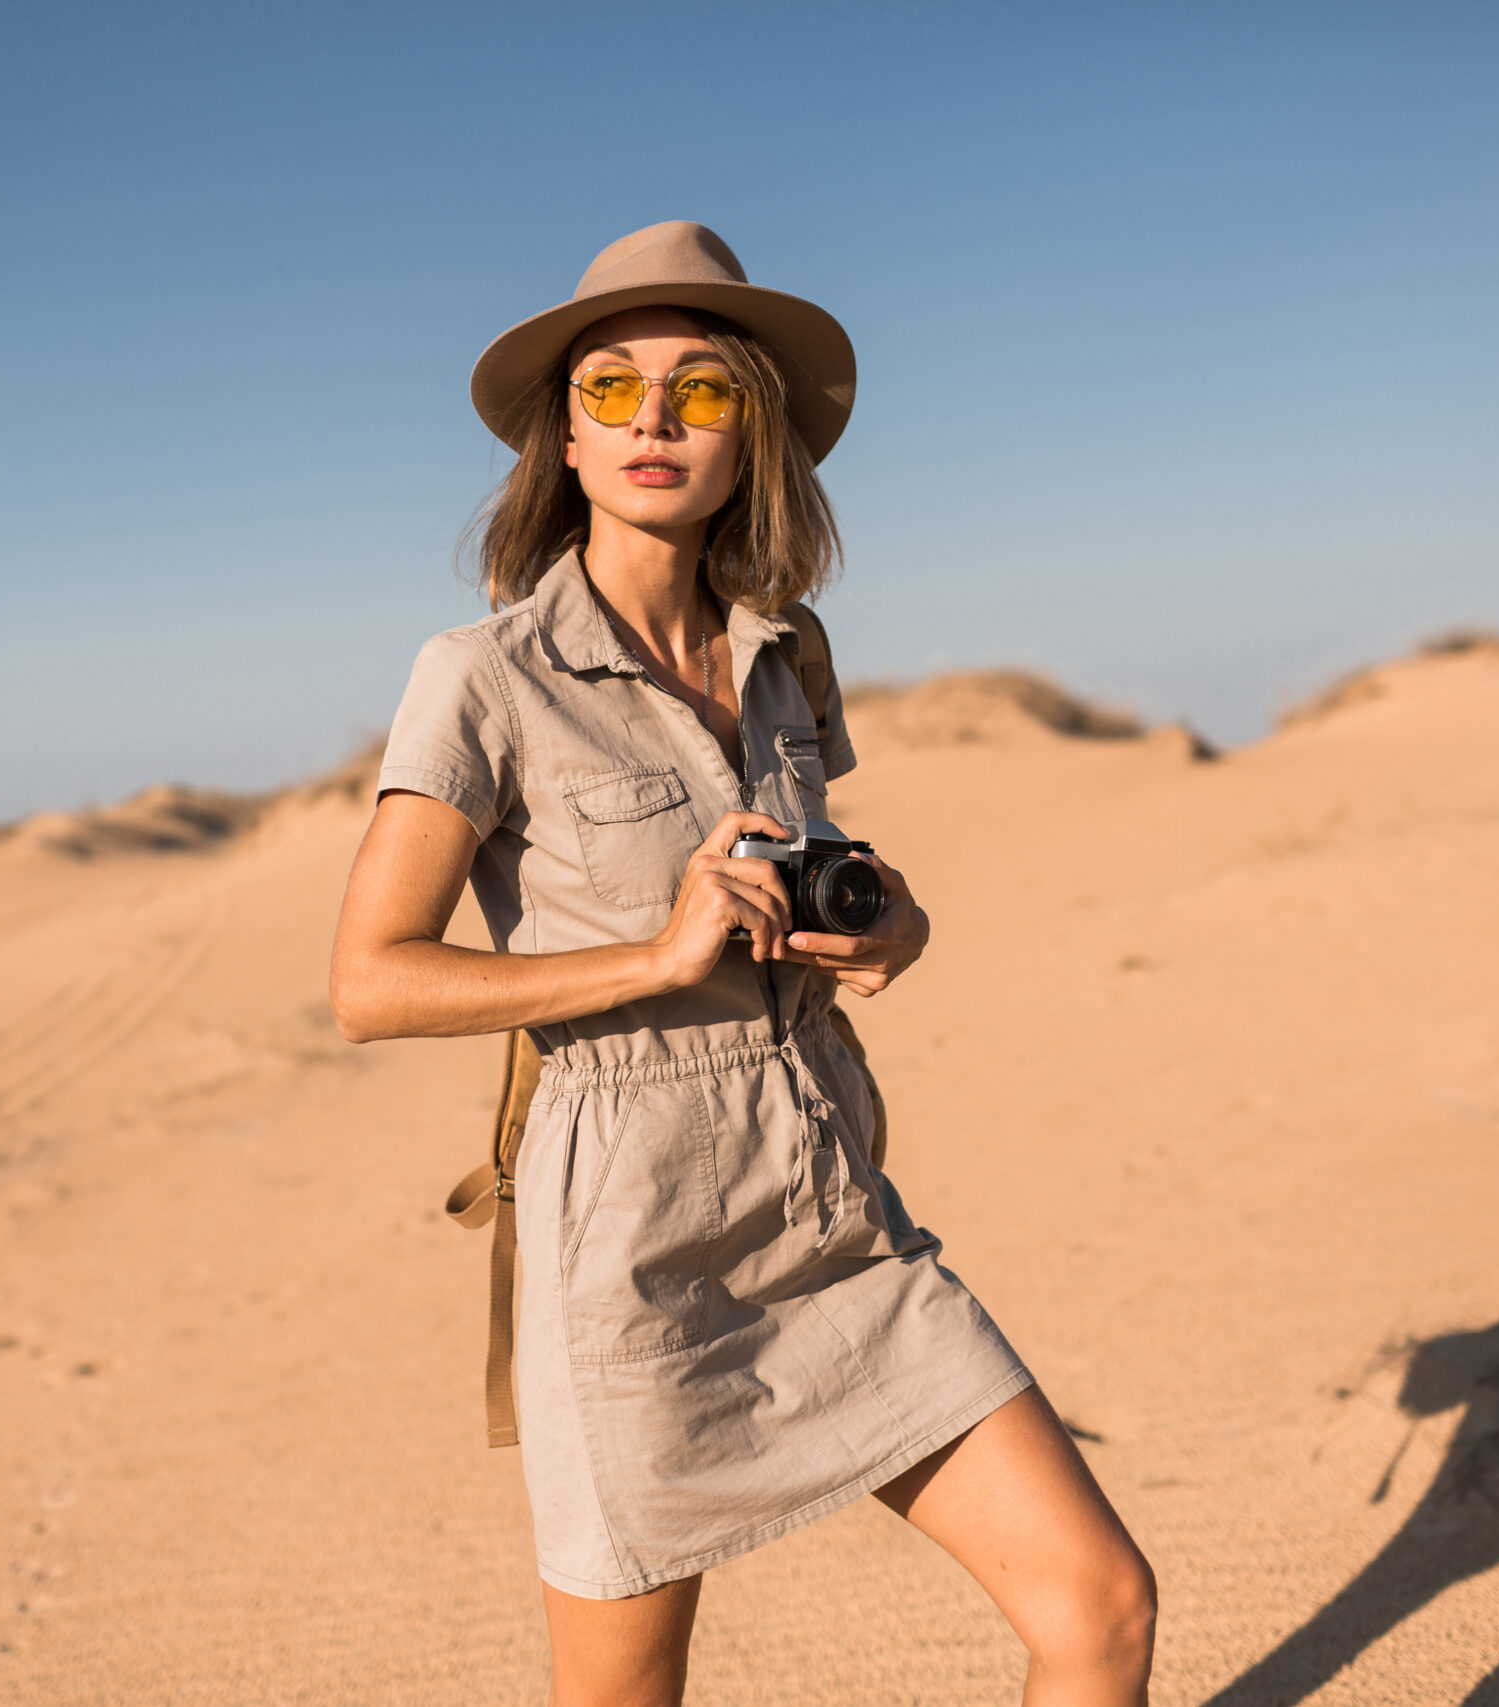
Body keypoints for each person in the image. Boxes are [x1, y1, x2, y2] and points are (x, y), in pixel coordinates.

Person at [330, 222, 1155, 1707]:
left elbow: (825, 905)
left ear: (750, 437)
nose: (655, 420)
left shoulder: (790, 658)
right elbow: (371, 981)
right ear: (562, 441)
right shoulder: (484, 678)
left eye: (703, 392)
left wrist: (893, 929)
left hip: (834, 1201)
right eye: (612, 389)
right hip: (630, 1239)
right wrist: (651, 956)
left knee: (1101, 1606)